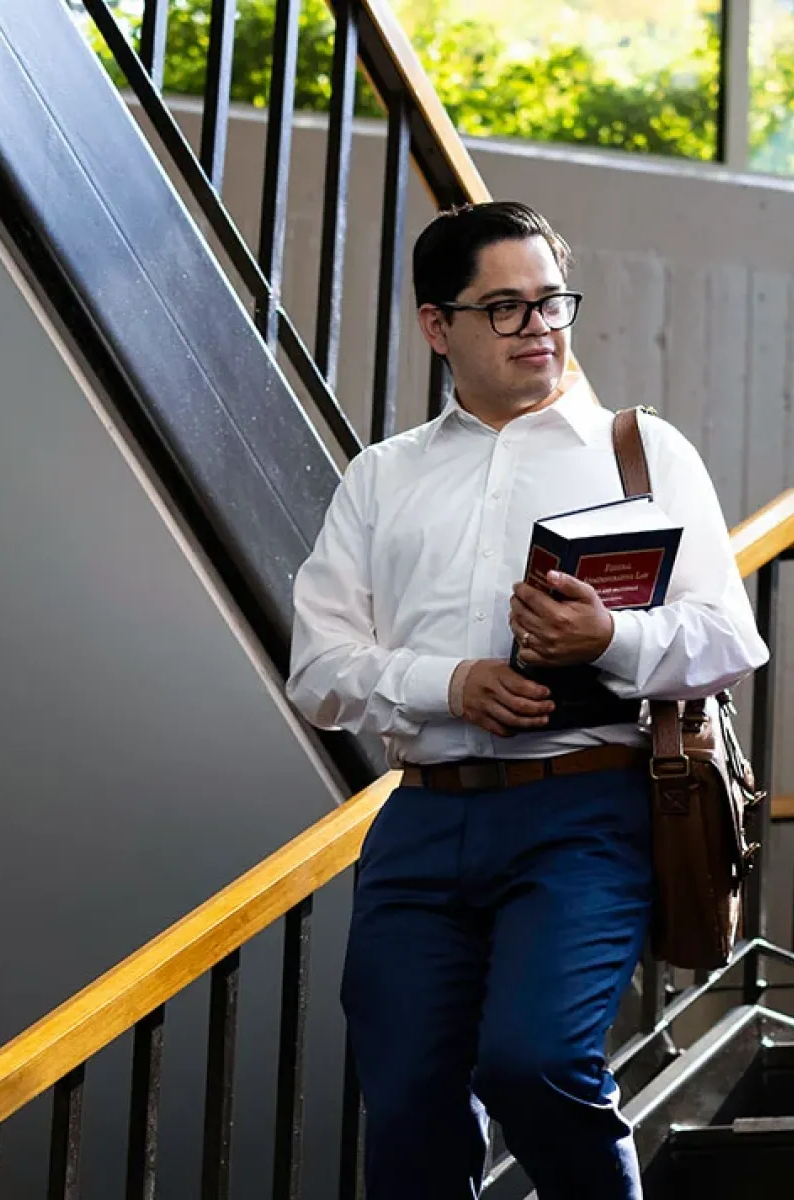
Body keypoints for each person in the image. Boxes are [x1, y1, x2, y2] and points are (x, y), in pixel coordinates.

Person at [286, 201, 768, 1199]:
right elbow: (318, 666)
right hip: (420, 818)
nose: (537, 327)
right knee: (409, 1093)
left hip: (583, 813)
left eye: (549, 301)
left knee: (534, 1061)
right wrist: (449, 681)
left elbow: (731, 641)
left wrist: (610, 637)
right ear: (436, 326)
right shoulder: (381, 477)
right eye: (502, 308)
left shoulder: (641, 452)